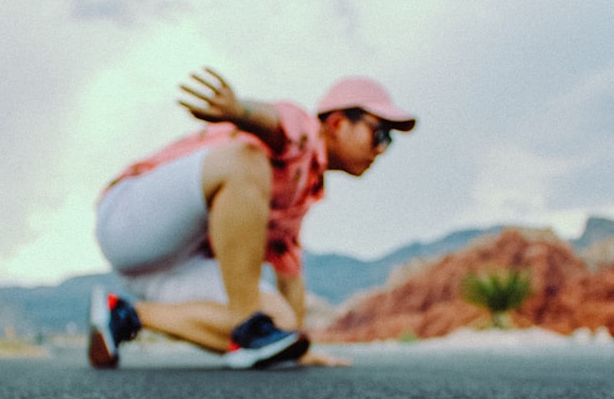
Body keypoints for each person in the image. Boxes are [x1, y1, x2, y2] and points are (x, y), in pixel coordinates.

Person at [89, 67, 416, 369]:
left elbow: (290, 278)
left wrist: (298, 349)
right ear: (338, 123)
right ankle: (248, 330)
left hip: (176, 265)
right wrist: (240, 111)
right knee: (246, 161)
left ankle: (124, 315)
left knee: (281, 326)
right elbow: (274, 123)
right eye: (380, 134)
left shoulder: (302, 193)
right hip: (128, 222)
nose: (381, 149)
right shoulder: (302, 130)